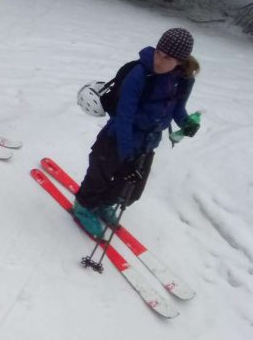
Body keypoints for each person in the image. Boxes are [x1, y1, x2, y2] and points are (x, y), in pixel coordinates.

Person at [73, 28, 200, 237]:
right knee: (101, 174)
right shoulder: (140, 74)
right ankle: (84, 206)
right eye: (159, 52)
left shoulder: (184, 79)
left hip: (148, 142)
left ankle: (105, 204)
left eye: (167, 57)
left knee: (131, 186)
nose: (159, 60)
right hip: (117, 137)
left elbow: (177, 107)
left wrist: (186, 123)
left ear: (180, 61)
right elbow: (124, 116)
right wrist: (127, 154)